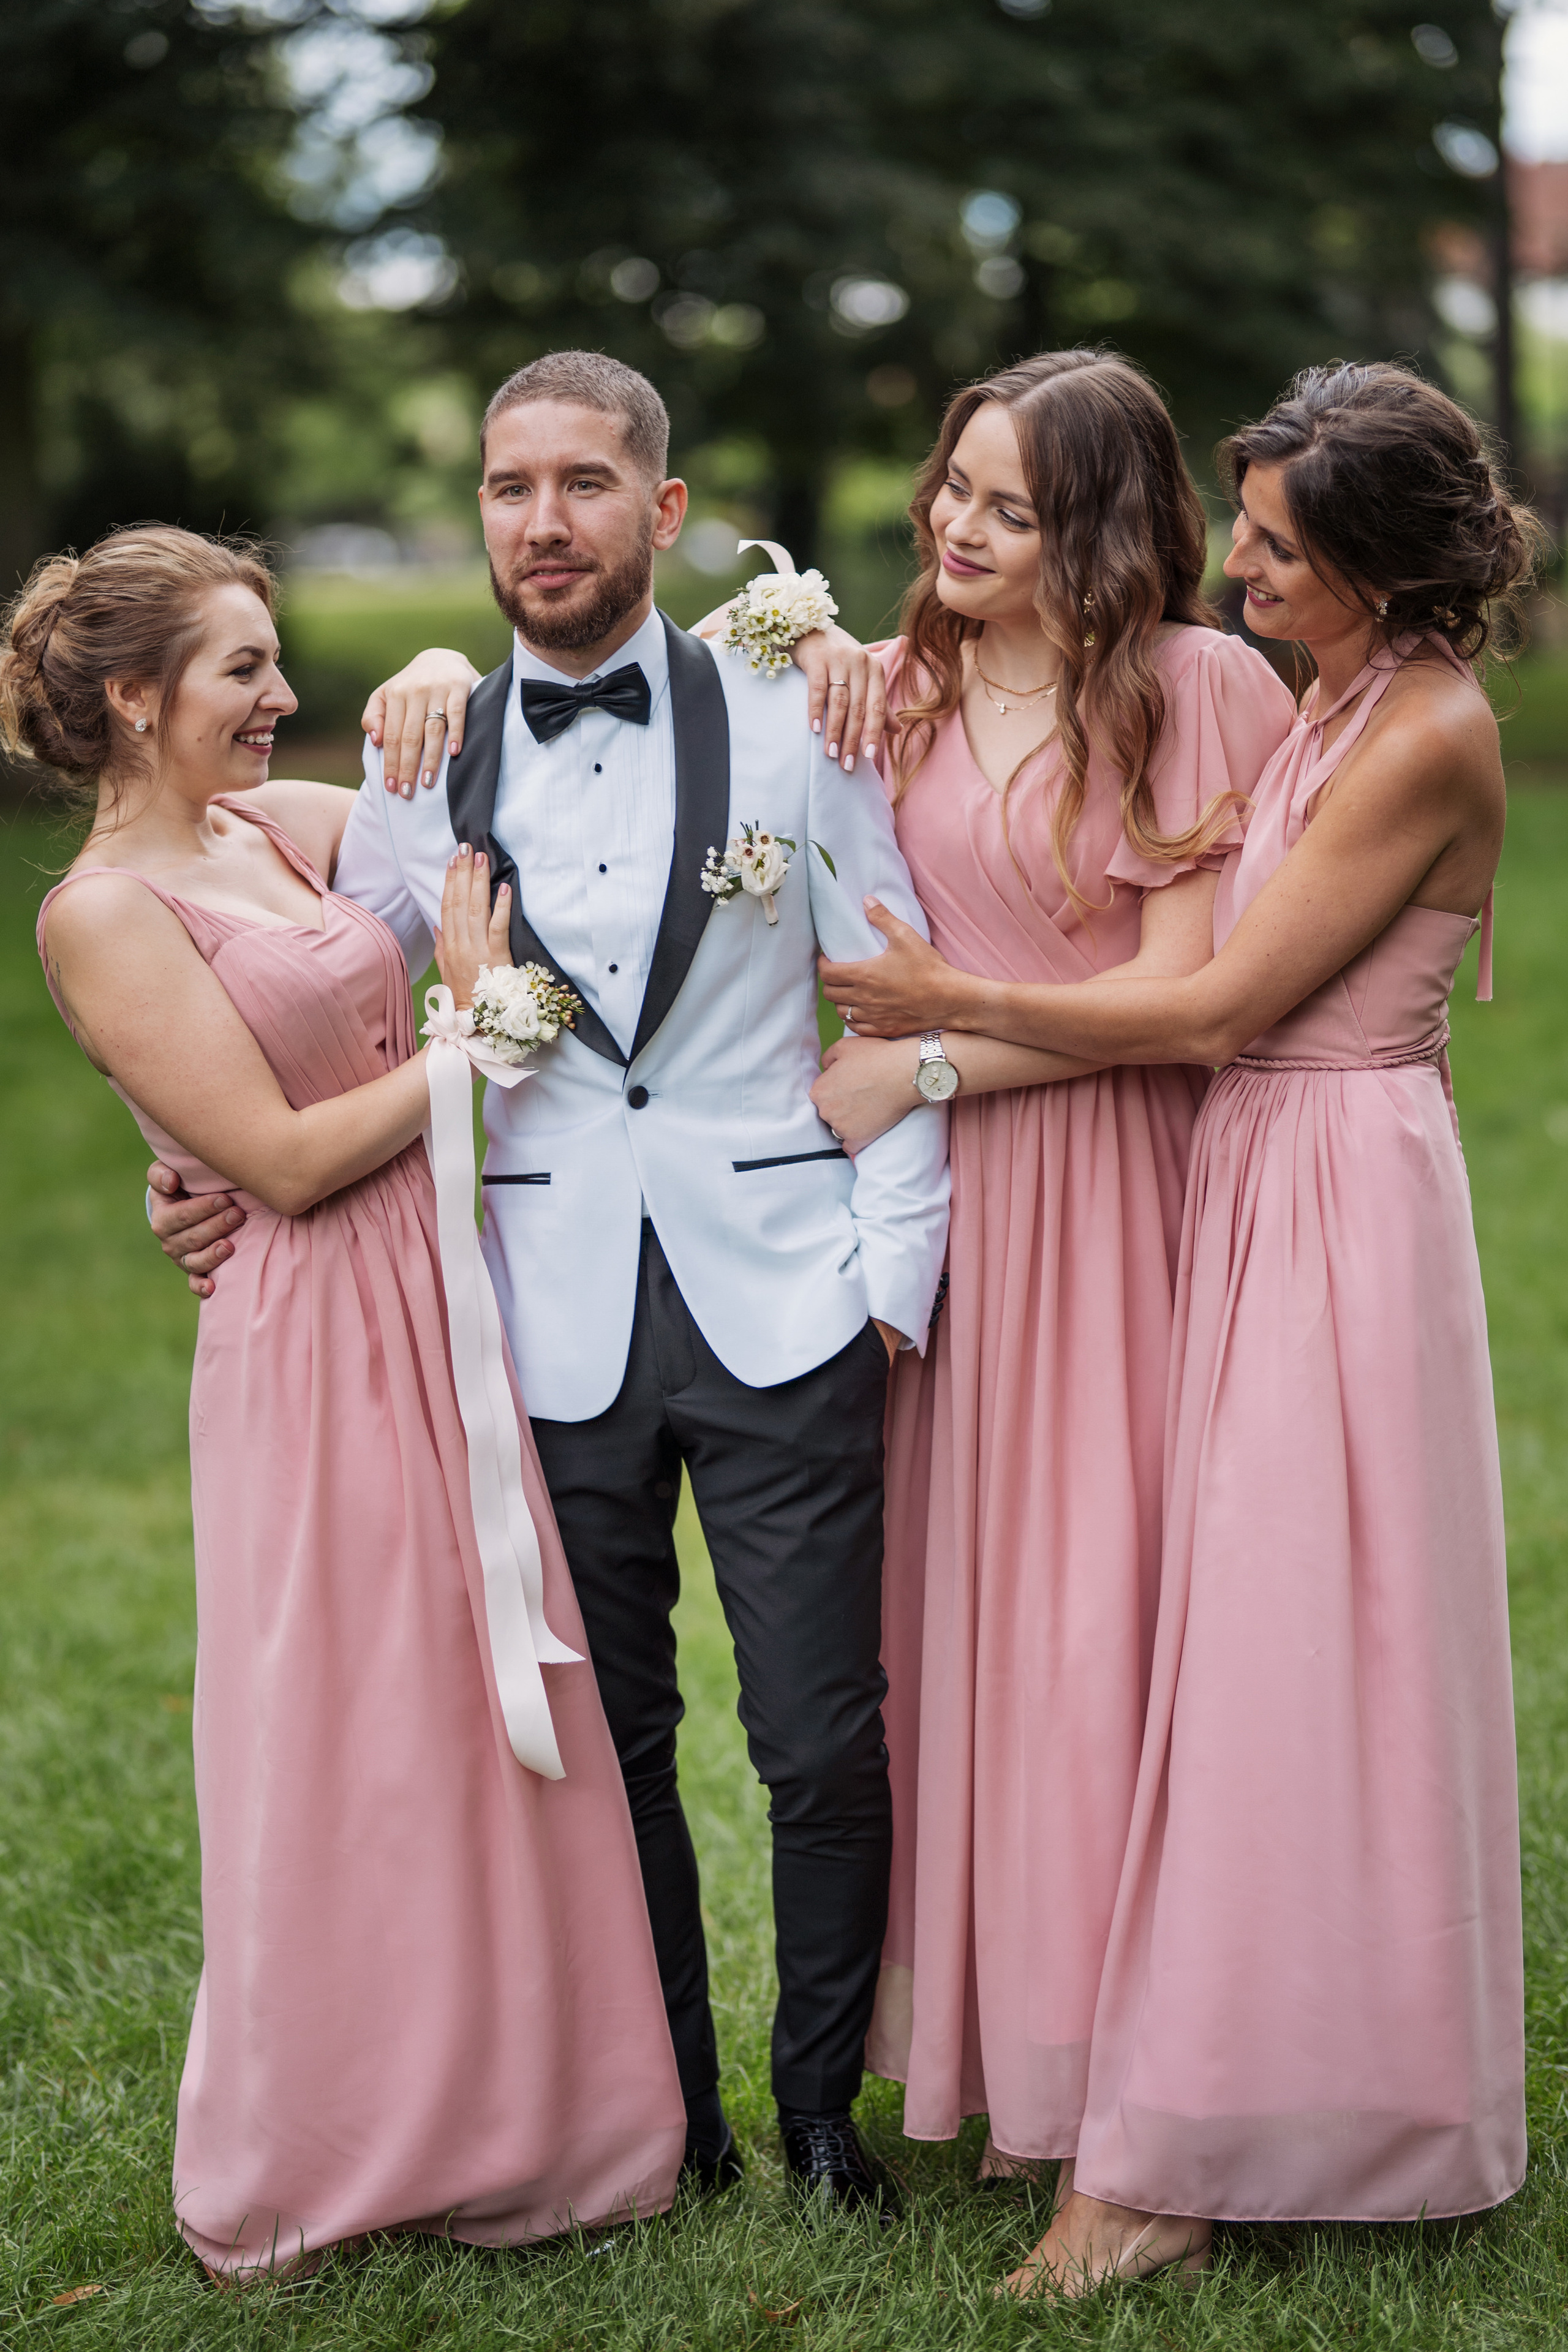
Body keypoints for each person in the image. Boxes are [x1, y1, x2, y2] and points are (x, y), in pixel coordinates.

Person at [148, 352, 951, 2217]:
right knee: (606, 1753)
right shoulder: (427, 752)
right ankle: (666, 2114)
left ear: (662, 513)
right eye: (512, 488)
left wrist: (890, 1265)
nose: (543, 522)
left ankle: (824, 2111)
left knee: (822, 1735)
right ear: (482, 511)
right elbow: (317, 1002)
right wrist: (192, 1167)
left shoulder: (790, 713)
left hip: (784, 1287)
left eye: (585, 485)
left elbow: (892, 981)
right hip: (529, 1305)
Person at [819, 360, 1535, 2289]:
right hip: (1248, 1173)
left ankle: (1169, 2162)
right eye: (1246, 528)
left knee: (1269, 1661)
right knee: (1244, 1655)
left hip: (1326, 1184)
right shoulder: (1330, 691)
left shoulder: (1423, 732)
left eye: (1285, 548)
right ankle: (1207, 2091)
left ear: (1381, 568)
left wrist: (933, 1017)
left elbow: (1215, 1010)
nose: (1242, 572)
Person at [10, 525, 687, 2279]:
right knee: (349, 1740)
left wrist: (442, 673)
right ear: (135, 701)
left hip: (439, 1302)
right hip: (314, 1344)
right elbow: (286, 1166)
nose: (280, 696)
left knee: (478, 1716)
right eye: (243, 669)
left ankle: (531, 2120)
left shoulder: (263, 830)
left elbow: (448, 791)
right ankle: (328, 2141)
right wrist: (474, 1034)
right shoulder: (97, 916)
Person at [800, 353, 1296, 2193]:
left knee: (1105, 1623)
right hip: (949, 1227)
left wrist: (926, 1056)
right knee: (963, 1632)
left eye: (1009, 508)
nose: (957, 528)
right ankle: (1001, 2051)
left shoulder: (1195, 684)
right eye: (951, 489)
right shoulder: (896, 690)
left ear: (1094, 524)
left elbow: (1178, 1016)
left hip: (1123, 1200)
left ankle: (1134, 2060)